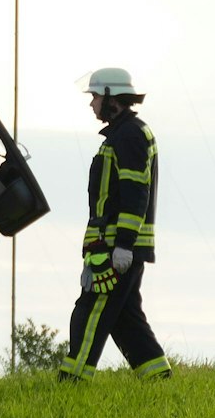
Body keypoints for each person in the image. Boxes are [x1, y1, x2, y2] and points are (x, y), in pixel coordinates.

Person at [59, 68, 171, 381]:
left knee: (90, 313)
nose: (91, 104)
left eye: (95, 96)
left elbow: (136, 191)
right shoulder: (124, 134)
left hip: (114, 247)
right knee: (125, 319)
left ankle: (72, 381)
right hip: (111, 244)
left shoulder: (130, 135)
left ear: (111, 98)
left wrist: (123, 243)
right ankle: (158, 378)